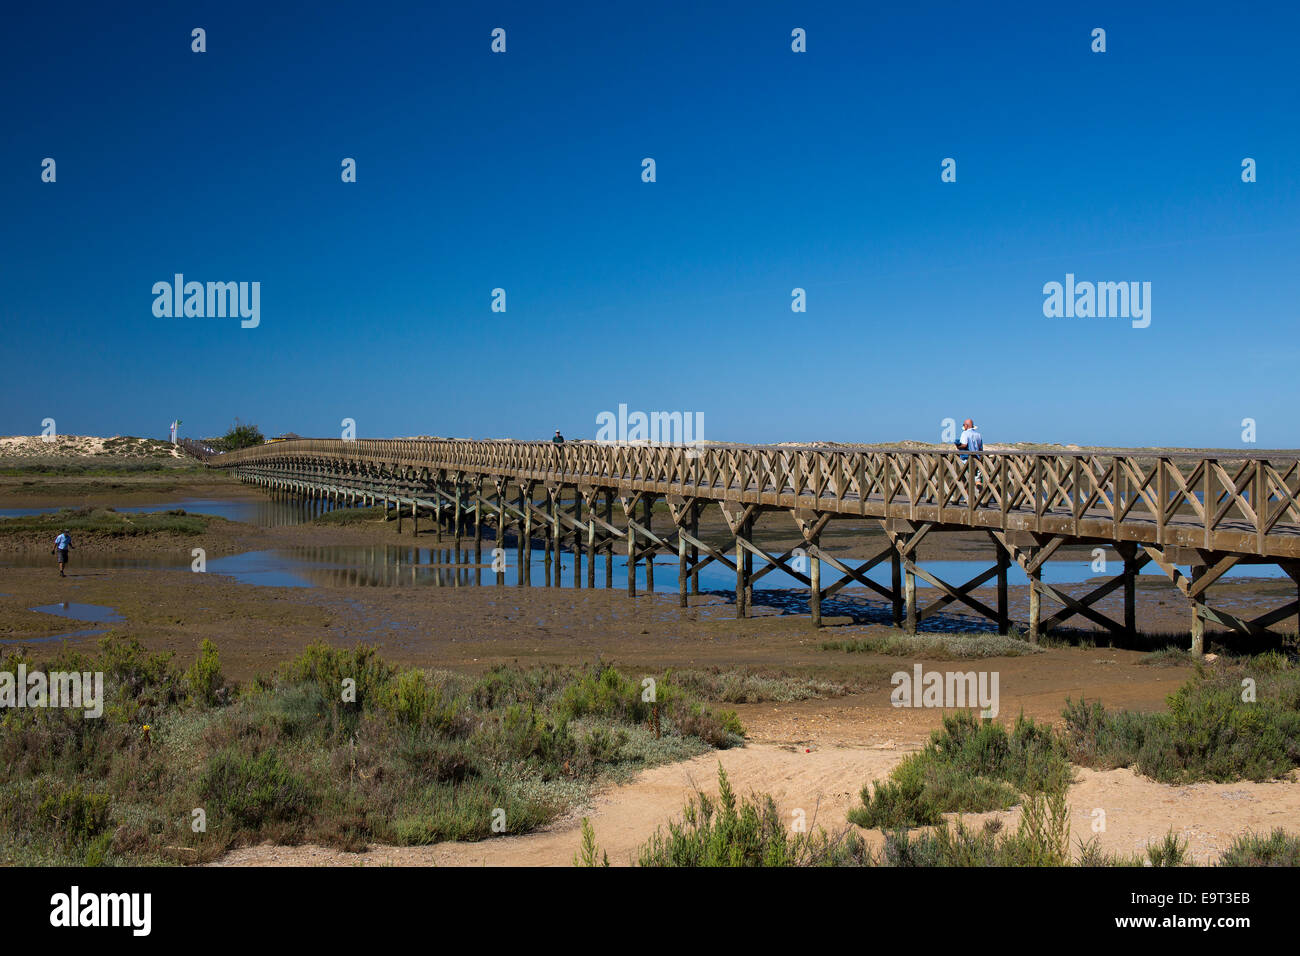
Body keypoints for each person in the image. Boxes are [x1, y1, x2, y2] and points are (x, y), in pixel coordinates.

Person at [955, 418, 984, 487]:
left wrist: (958, 446)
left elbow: (964, 445)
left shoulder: (965, 433)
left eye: (963, 425)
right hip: (977, 459)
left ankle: (968, 496)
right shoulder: (978, 434)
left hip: (966, 459)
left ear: (966, 425)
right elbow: (980, 448)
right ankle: (980, 495)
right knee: (977, 479)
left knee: (965, 478)